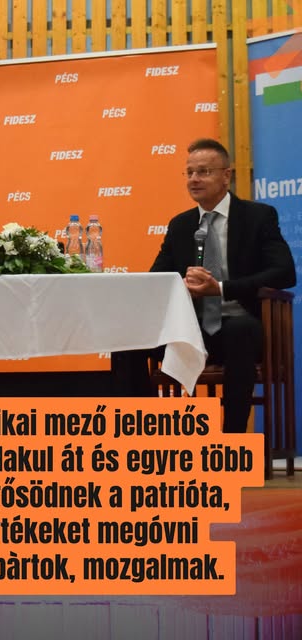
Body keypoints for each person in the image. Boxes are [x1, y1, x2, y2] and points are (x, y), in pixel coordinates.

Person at [113, 138, 296, 433]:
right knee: (127, 340)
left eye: (204, 172)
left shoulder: (258, 217)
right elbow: (158, 277)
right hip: (189, 328)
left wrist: (221, 288)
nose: (194, 179)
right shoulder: (181, 225)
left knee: (239, 329)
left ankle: (233, 440)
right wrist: (180, 285)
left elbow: (284, 273)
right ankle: (143, 432)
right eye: (189, 172)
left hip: (239, 325)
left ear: (226, 176)